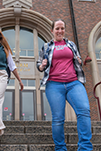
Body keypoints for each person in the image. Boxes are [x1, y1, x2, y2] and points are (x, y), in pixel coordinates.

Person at [36, 19, 93, 151]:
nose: (60, 31)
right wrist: (42, 65)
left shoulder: (71, 44)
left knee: (84, 111)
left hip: (74, 82)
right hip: (54, 85)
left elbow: (77, 60)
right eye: (57, 28)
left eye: (62, 28)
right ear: (52, 31)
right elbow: (39, 65)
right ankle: (60, 148)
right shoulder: (46, 46)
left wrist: (78, 60)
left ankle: (85, 147)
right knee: (58, 118)